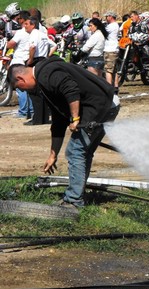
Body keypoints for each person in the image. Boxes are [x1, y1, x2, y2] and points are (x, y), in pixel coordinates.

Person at [8, 56, 120, 208]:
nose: (23, 91)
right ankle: (76, 195)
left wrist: (75, 119)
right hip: (106, 105)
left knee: (75, 151)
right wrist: (53, 155)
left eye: (20, 88)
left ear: (20, 78)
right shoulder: (45, 80)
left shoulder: (46, 74)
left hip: (99, 106)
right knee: (82, 152)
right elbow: (58, 121)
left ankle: (74, 201)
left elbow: (71, 89)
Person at [6, 10, 32, 120]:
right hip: (28, 61)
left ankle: (22, 111)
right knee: (29, 87)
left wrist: (6, 43)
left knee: (20, 87)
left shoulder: (21, 32)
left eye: (19, 18)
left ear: (22, 19)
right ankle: (31, 110)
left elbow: (10, 44)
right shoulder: (34, 31)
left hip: (18, 61)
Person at [103, 11, 120, 93]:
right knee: (114, 70)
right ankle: (115, 86)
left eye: (107, 17)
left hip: (110, 49)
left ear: (110, 17)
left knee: (108, 70)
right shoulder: (115, 25)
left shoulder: (112, 26)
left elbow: (102, 31)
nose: (106, 18)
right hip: (114, 49)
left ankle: (109, 88)